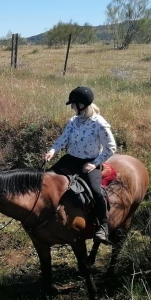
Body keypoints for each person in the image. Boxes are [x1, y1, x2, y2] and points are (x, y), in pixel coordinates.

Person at [43, 86, 117, 242]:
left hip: (90, 162)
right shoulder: (73, 121)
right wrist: (52, 150)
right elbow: (63, 139)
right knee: (48, 179)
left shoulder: (100, 124)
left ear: (82, 105)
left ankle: (103, 224)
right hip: (71, 158)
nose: (71, 107)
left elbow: (111, 148)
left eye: (73, 104)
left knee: (97, 191)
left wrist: (94, 163)